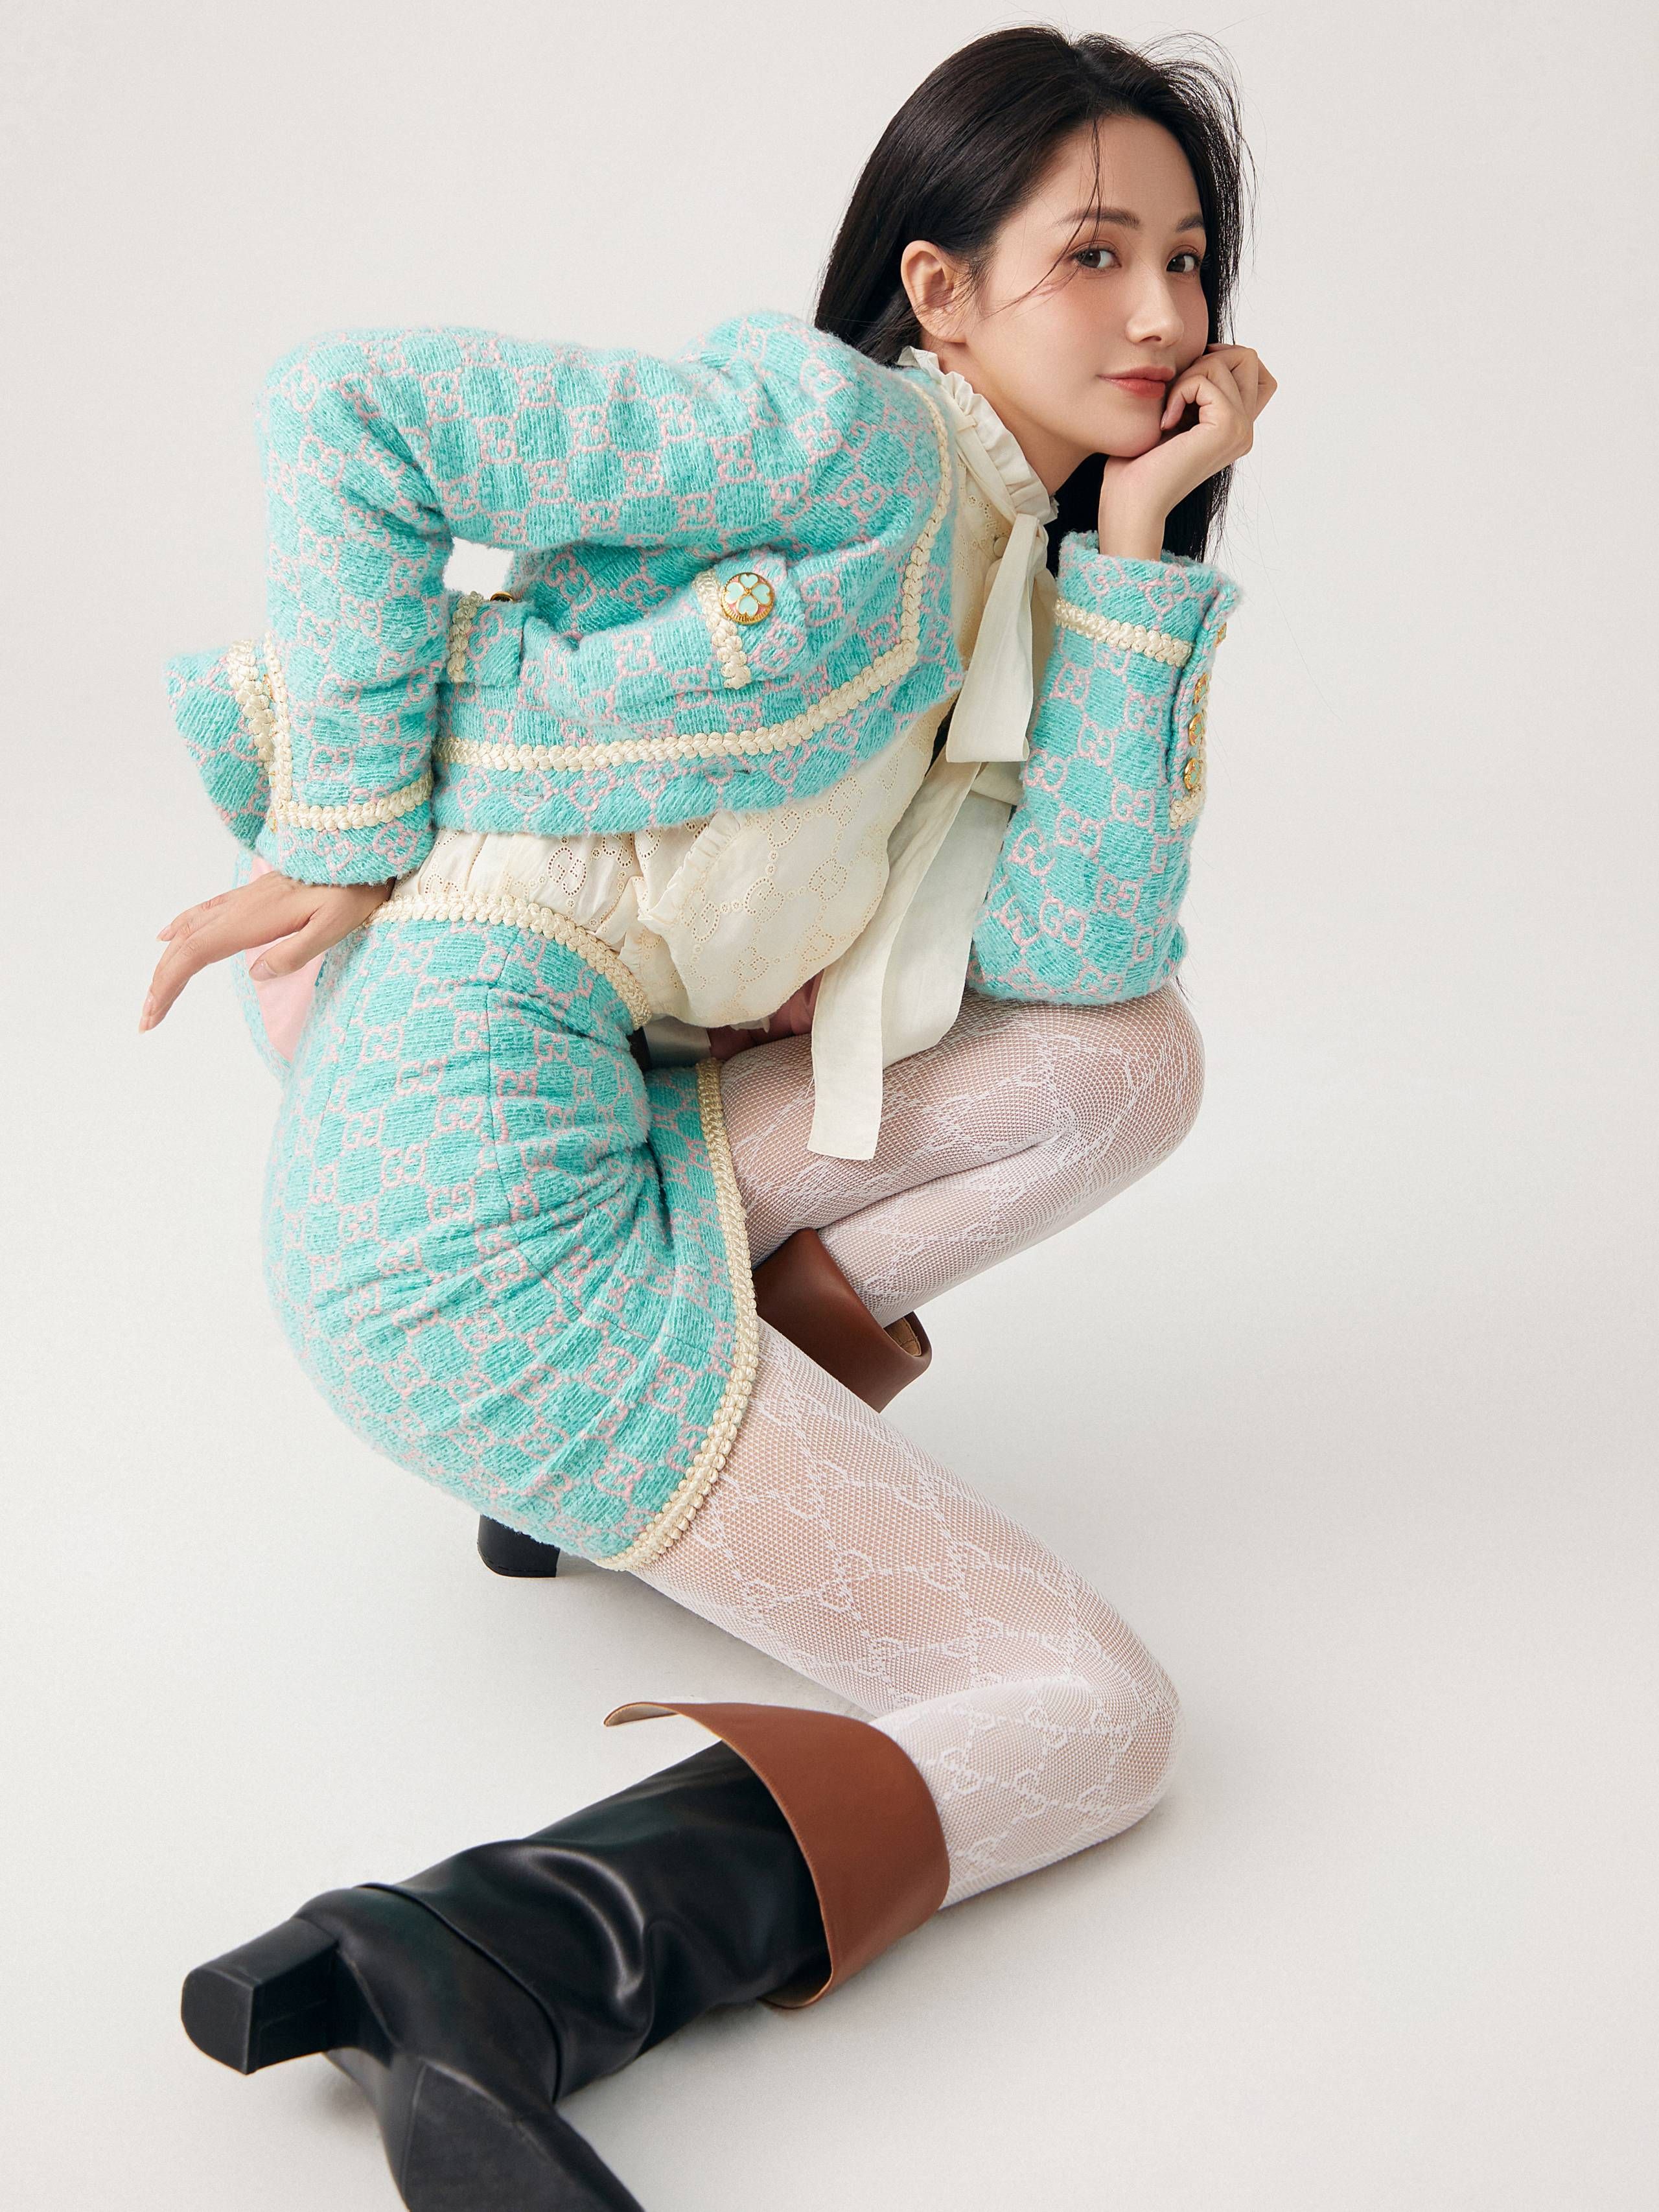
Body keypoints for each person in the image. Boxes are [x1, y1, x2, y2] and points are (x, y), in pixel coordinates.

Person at [145, 25, 1275, 2210]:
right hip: (467, 1220)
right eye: (1094, 254)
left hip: (598, 1134)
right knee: (1092, 1711)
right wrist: (347, 829)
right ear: (941, 291)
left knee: (1133, 1062)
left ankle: (582, 1499)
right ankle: (492, 1955)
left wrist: (1136, 554)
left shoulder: (1009, 574)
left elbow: (1081, 956)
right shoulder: (841, 439)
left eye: (1190, 258)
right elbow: (346, 405)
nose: (1161, 314)